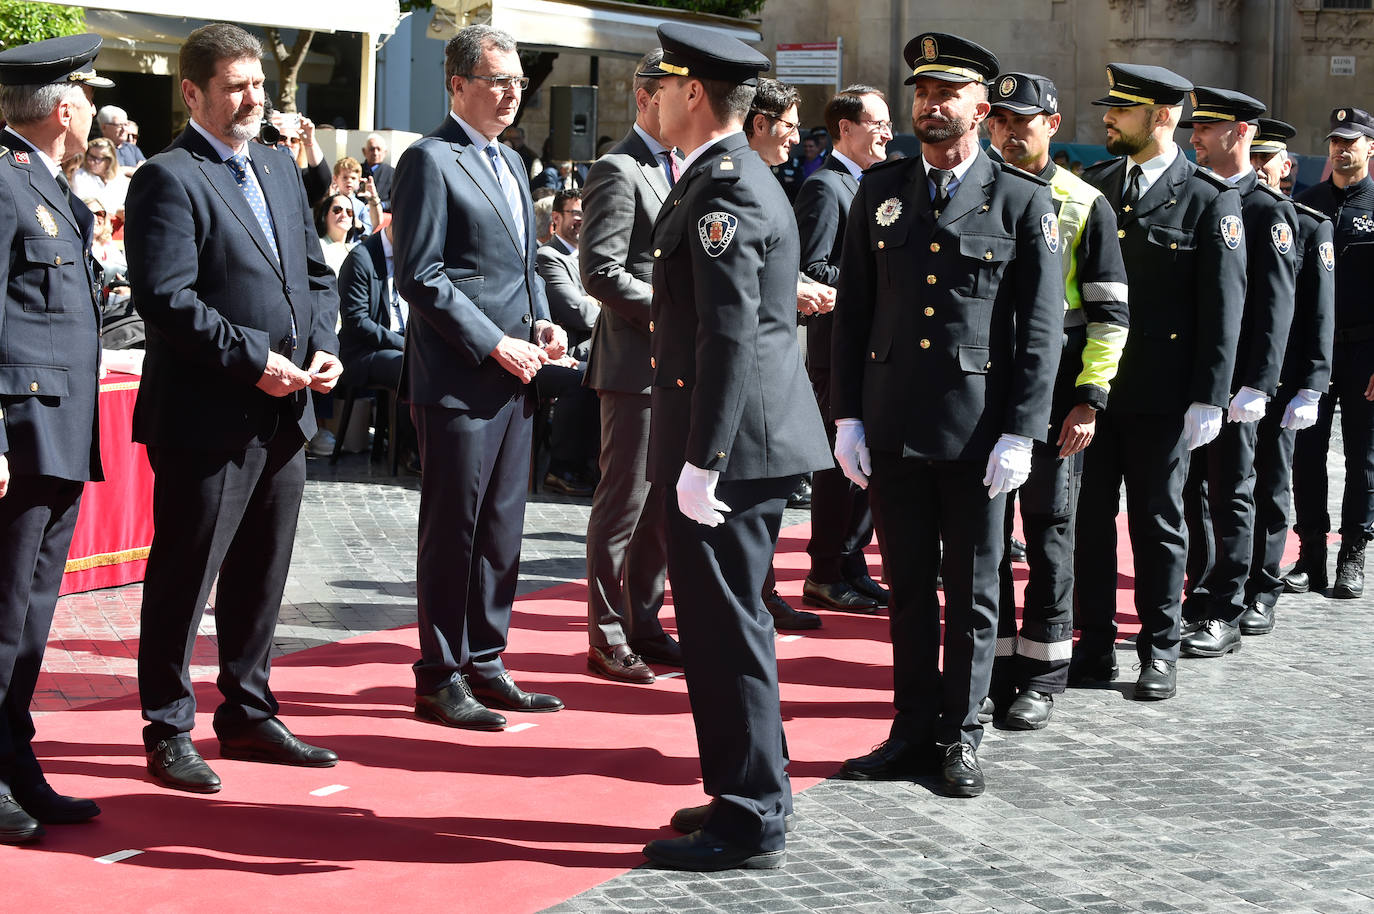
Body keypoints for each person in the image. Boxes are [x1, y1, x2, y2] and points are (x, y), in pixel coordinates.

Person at [830, 33, 1062, 797]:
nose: (930, 105)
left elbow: (1039, 330)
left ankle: (960, 737)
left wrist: (1023, 431)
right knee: (905, 590)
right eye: (922, 93)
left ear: (980, 109)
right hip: (894, 424)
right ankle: (909, 730)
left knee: (972, 594)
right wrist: (848, 417)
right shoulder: (881, 189)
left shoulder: (1024, 200)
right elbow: (855, 311)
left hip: (977, 432)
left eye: (947, 94)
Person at [125, 22, 344, 794]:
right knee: (187, 574)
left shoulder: (281, 168)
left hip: (288, 413)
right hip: (207, 420)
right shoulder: (167, 177)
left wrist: (324, 345)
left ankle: (248, 711)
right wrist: (256, 362)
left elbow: (315, 274)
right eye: (235, 87)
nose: (253, 99)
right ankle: (167, 726)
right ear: (193, 93)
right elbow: (167, 300)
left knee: (262, 572)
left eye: (258, 83)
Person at [638, 22, 831, 872]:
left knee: (727, 630)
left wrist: (700, 461)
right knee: (719, 625)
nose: (654, 101)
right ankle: (742, 785)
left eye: (662, 86)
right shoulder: (728, 175)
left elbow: (727, 336)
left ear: (692, 94)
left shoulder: (724, 189)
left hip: (732, 447)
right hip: (734, 438)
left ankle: (752, 814)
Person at [391, 25, 568, 732]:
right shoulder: (430, 162)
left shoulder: (511, 163)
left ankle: (486, 660)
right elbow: (421, 275)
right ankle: (438, 674)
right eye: (497, 80)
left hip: (515, 373)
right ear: (458, 83)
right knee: (454, 530)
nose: (511, 92)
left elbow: (523, 266)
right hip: (459, 379)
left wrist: (544, 322)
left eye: (518, 80)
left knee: (500, 529)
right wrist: (493, 342)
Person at [1070, 64, 1246, 700]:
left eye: (1123, 110)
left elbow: (1224, 307)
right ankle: (1091, 647)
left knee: (1157, 522)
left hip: (1163, 395)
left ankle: (1158, 646)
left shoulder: (1207, 197)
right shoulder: (1097, 185)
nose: (1108, 119)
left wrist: (1210, 395)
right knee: (1088, 521)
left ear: (1162, 117)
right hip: (1095, 391)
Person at [983, 72, 1129, 730]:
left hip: (1057, 383)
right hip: (983, 383)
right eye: (1001, 120)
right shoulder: (971, 192)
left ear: (1052, 122)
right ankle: (992, 665)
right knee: (984, 537)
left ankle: (1041, 671)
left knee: (1048, 530)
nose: (1012, 131)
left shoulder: (1082, 202)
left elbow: (1109, 317)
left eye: (1025, 120)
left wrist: (1089, 400)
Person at [0, 32, 111, 845]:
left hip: (58, 430)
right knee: (3, 618)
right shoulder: (4, 184)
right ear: (66, 107)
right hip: (20, 429)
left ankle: (15, 763)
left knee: (29, 618)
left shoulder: (42, 182)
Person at [580, 48, 686, 684]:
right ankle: (607, 633)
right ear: (647, 97)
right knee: (624, 501)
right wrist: (675, 314)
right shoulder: (619, 168)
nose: (692, 103)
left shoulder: (684, 166)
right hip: (634, 361)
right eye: (681, 92)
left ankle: (645, 622)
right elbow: (601, 271)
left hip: (675, 365)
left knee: (662, 505)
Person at [1180, 88, 1298, 659]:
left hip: (1237, 384)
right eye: (1195, 127)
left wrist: (1261, 383)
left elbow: (1276, 307)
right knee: (1187, 495)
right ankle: (1197, 595)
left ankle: (1227, 604)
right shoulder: (1195, 197)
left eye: (1209, 127)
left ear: (1242, 134)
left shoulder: (1270, 210)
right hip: (1190, 377)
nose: (1196, 137)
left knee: (1231, 492)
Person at [794, 85, 893, 617]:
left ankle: (853, 564)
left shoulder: (875, 185)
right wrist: (882, 276)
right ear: (844, 129)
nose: (886, 131)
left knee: (867, 466)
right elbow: (814, 269)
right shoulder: (826, 188)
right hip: (837, 353)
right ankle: (825, 570)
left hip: (874, 350)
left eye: (888, 121)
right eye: (875, 122)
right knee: (837, 467)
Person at [741, 78, 834, 631]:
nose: (799, 138)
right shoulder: (740, 183)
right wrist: (795, 289)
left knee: (771, 495)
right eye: (791, 125)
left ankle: (761, 591)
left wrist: (794, 286)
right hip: (750, 365)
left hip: (777, 360)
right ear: (759, 123)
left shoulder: (770, 181)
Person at [1241, 118, 1334, 635]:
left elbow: (1321, 312)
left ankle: (1263, 586)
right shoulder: (1224, 212)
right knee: (1218, 487)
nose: (1257, 169)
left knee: (1271, 485)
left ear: (1287, 167)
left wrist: (1313, 385)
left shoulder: (1308, 225)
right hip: (1231, 375)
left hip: (1284, 378)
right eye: (1251, 158)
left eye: (1266, 160)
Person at [1288, 107, 1374, 599]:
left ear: (1369, 148)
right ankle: (1311, 554)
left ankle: (1354, 554)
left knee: (1363, 456)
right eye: (1336, 141)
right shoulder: (1308, 203)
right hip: (1314, 353)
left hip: (1364, 349)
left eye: (1352, 141)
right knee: (1308, 452)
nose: (1342, 149)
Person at [535, 188, 601, 496]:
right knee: (584, 379)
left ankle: (595, 464)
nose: (581, 220)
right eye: (575, 213)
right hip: (556, 354)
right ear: (556, 219)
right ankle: (561, 468)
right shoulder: (549, 257)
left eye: (585, 214)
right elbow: (579, 312)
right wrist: (600, 302)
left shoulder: (587, 255)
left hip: (592, 348)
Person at [338, 222, 406, 393]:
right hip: (365, 350)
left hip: (404, 343)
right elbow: (357, 320)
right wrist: (404, 344)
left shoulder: (410, 256)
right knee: (412, 370)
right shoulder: (360, 258)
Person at [71, 136, 129, 216]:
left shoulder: (119, 178)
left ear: (109, 161)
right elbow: (85, 205)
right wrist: (115, 212)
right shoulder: (79, 175)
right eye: (89, 155)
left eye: (96, 158)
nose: (90, 161)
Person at [315, 191, 357, 273]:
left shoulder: (355, 251)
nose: (344, 215)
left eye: (349, 212)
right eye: (337, 210)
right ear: (325, 215)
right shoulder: (317, 247)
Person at [97, 103, 144, 174]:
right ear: (104, 127)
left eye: (125, 124)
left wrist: (124, 170)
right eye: (119, 125)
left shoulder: (132, 148)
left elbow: (145, 169)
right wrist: (133, 170)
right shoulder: (97, 149)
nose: (124, 129)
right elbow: (108, 172)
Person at [360, 133, 394, 208]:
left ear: (385, 152)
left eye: (379, 149)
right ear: (364, 151)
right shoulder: (356, 171)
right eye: (372, 149)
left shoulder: (392, 173)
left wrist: (380, 205)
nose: (375, 153)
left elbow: (395, 200)